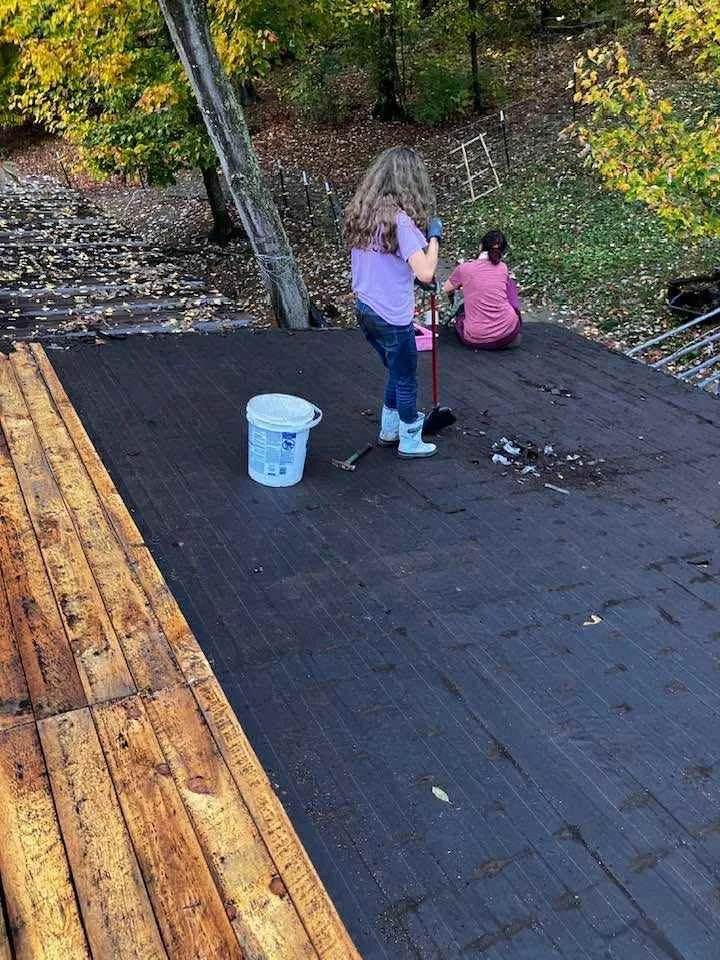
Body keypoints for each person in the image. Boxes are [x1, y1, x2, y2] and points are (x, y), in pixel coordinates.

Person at [345, 146, 443, 458]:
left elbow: (384, 263)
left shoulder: (363, 214)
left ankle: (389, 429)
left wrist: (411, 274)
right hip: (392, 316)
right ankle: (410, 439)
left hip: (365, 309)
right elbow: (426, 272)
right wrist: (435, 237)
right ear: (411, 182)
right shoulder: (401, 223)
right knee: (406, 377)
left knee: (395, 369)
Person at [443, 229, 522, 350]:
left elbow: (446, 288)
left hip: (476, 337)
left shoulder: (464, 269)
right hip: (508, 331)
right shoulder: (503, 268)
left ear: (480, 246)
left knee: (461, 313)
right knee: (509, 283)